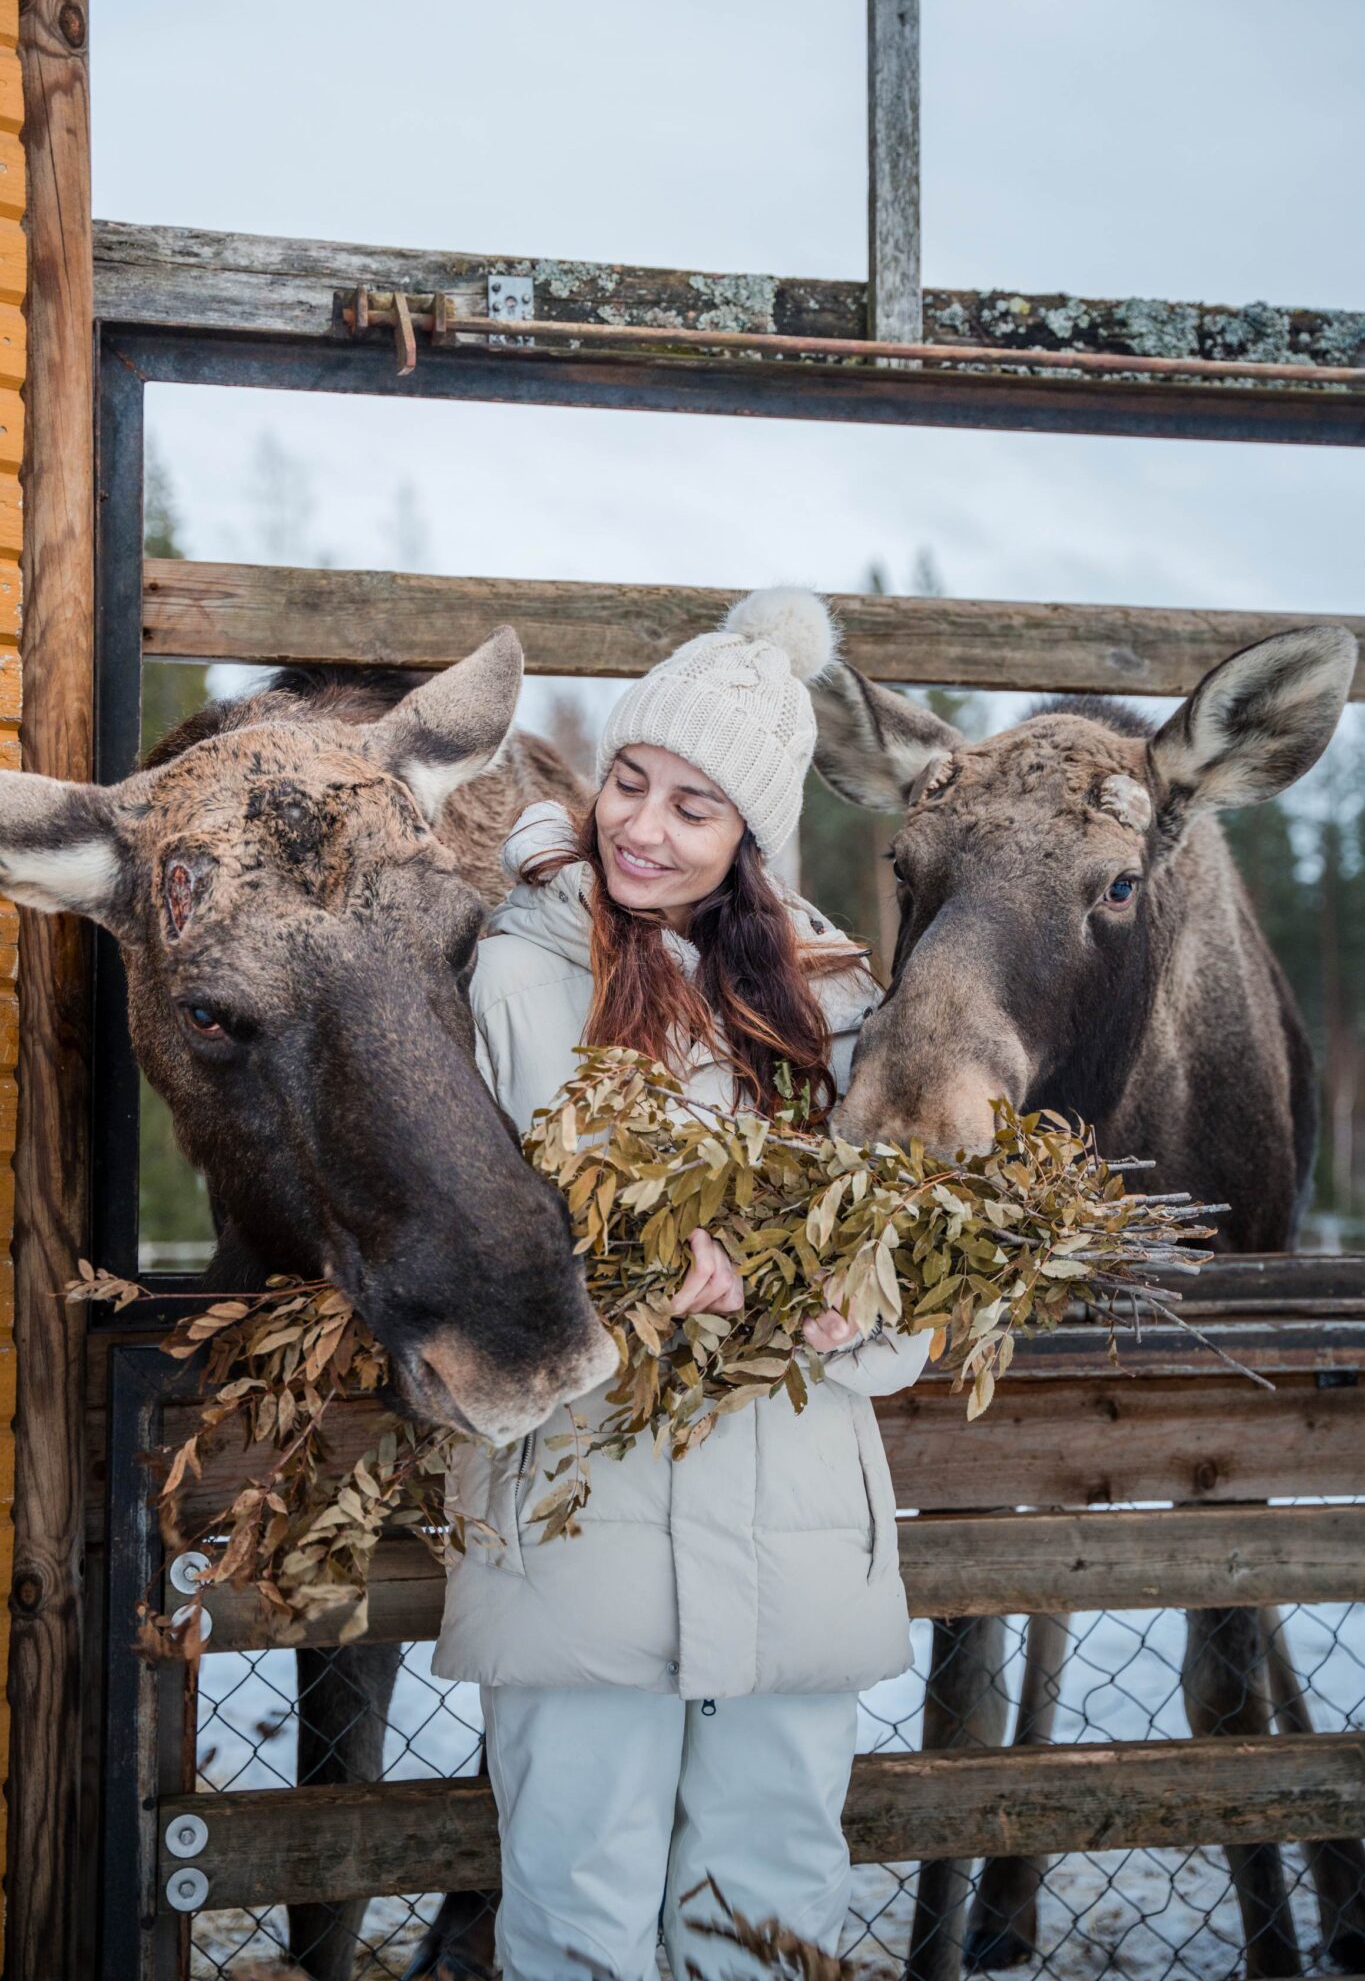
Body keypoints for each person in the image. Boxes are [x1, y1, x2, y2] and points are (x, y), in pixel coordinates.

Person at [433, 590, 935, 1981]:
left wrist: (854, 1311)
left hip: (795, 1542)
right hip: (578, 1533)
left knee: (767, 1911)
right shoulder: (511, 982)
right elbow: (452, 1252)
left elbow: (918, 1283)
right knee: (574, 1904)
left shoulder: (834, 1014)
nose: (642, 828)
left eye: (693, 808)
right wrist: (629, 1294)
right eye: (631, 785)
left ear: (749, 843)